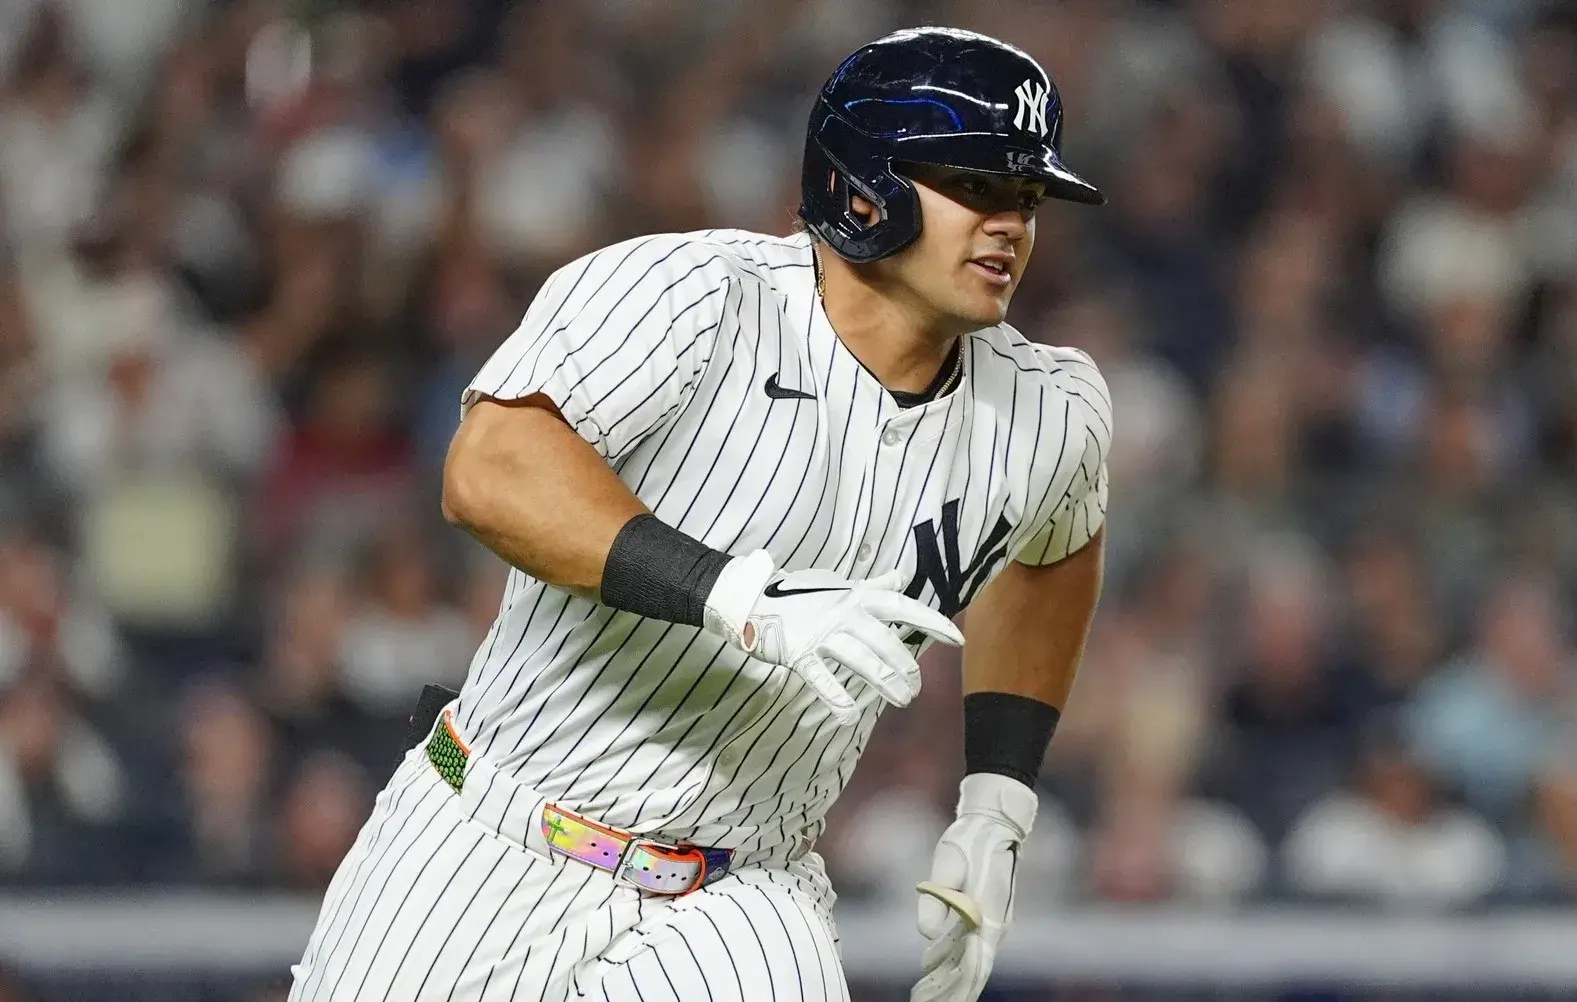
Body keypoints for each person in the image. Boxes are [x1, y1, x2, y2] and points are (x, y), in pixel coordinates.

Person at [289, 26, 1111, 1002]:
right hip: (494, 837)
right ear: (864, 185)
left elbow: (1057, 550)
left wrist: (997, 802)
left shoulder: (1051, 409)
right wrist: (734, 598)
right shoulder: (695, 297)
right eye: (974, 186)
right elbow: (490, 468)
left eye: (1025, 196)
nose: (1010, 224)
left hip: (738, 892)